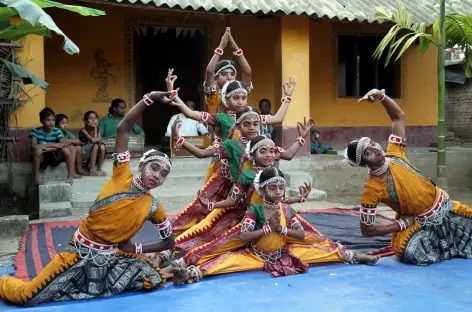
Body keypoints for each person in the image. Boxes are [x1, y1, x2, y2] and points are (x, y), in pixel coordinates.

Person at [0, 90, 177, 306]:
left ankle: (156, 264)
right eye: (154, 168)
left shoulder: (153, 208)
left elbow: (169, 241)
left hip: (112, 258)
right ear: (142, 166)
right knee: (26, 296)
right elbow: (123, 128)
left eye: (163, 174)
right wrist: (149, 98)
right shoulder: (122, 172)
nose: (156, 175)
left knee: (154, 279)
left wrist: (136, 249)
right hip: (78, 253)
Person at [170, 167, 378, 285]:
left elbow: (299, 234)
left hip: (285, 253)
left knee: (322, 250)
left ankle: (355, 256)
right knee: (225, 262)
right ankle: (189, 274)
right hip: (256, 256)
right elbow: (243, 237)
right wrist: (266, 230)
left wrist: (281, 230)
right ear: (262, 190)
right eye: (273, 188)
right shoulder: (256, 211)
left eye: (281, 187)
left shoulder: (287, 210)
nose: (278, 191)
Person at [344, 88, 472, 266]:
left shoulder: (395, 153)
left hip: (445, 207)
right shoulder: (371, 189)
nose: (374, 148)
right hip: (420, 223)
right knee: (409, 252)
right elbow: (367, 229)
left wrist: (381, 97)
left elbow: (398, 117)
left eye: (372, 143)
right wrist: (402, 224)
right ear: (363, 163)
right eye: (367, 152)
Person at [173, 121, 312, 253]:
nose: (269, 155)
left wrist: (299, 198)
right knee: (206, 237)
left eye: (271, 151)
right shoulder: (247, 174)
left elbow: (281, 198)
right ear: (253, 154)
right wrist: (211, 205)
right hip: (250, 216)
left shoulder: (275, 175)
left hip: (275, 215)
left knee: (312, 238)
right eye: (263, 151)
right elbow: (233, 200)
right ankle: (169, 252)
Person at [166, 71, 294, 185]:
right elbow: (191, 113)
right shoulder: (220, 117)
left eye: (244, 98)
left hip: (253, 162)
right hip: (228, 163)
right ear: (226, 99)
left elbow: (277, 118)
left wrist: (288, 98)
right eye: (236, 98)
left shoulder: (251, 117)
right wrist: (174, 94)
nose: (240, 102)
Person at [168, 106, 261, 241]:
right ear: (237, 126)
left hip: (262, 199)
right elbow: (202, 153)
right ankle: (168, 249)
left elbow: (285, 157)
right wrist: (179, 139)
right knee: (207, 228)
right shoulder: (230, 146)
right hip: (237, 199)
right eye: (246, 124)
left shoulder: (265, 144)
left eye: (255, 124)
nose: (252, 127)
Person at [29, 107, 78, 185]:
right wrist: (54, 145)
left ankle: (70, 177)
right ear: (42, 121)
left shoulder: (56, 131)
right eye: (48, 120)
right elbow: (34, 146)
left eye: (53, 120)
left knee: (66, 149)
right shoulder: (35, 131)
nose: (51, 122)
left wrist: (46, 147)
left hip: (54, 157)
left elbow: (62, 144)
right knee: (38, 150)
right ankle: (36, 178)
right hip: (42, 159)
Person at [79, 111, 106, 176]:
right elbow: (93, 140)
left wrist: (96, 129)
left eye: (95, 118)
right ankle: (92, 169)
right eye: (90, 118)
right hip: (84, 151)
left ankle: (99, 169)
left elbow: (99, 140)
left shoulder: (98, 129)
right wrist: (95, 128)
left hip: (94, 149)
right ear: (85, 121)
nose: (93, 120)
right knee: (96, 145)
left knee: (102, 147)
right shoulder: (83, 130)